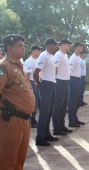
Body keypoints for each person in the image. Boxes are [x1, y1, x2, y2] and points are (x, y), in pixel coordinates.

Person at [0, 34, 35, 169]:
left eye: (24, 46)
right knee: (7, 161)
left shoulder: (19, 66)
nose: (24, 48)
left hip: (24, 120)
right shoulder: (4, 67)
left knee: (19, 161)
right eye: (20, 46)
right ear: (9, 48)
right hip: (12, 120)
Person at [33, 38, 59, 146]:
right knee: (44, 113)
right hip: (46, 85)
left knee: (49, 112)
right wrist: (38, 83)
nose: (56, 46)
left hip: (52, 84)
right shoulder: (44, 56)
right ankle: (40, 137)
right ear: (49, 45)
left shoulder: (51, 56)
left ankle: (47, 133)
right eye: (54, 45)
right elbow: (36, 72)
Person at [52, 38, 74, 135]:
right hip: (59, 82)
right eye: (68, 44)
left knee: (64, 105)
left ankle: (62, 125)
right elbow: (54, 68)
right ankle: (56, 128)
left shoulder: (65, 55)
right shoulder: (58, 55)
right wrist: (55, 80)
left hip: (66, 82)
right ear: (63, 44)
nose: (69, 46)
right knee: (58, 106)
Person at [68, 42, 85, 127]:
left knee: (76, 101)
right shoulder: (73, 58)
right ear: (76, 47)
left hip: (77, 79)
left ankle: (75, 118)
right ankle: (71, 120)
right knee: (73, 101)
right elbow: (69, 70)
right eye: (80, 46)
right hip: (73, 79)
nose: (81, 48)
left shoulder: (77, 57)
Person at [25, 45, 43, 128]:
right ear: (33, 51)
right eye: (38, 50)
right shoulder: (30, 61)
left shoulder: (37, 60)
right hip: (32, 82)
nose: (39, 52)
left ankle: (33, 119)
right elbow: (28, 74)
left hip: (36, 82)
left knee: (36, 102)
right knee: (33, 102)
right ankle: (31, 120)